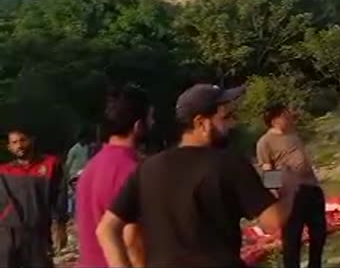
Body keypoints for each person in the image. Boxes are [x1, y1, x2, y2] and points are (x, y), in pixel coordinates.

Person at [95, 84, 284, 268]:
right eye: (225, 118)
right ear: (201, 123)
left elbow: (106, 229)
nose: (232, 124)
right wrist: (287, 182)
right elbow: (273, 221)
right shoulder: (229, 164)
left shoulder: (148, 168)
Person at [75, 86, 151, 268]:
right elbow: (132, 239)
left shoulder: (90, 168)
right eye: (151, 117)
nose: (153, 123)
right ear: (138, 126)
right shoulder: (133, 171)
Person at [257, 104, 325, 268]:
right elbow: (267, 168)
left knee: (319, 233)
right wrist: (275, 196)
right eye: (285, 114)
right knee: (292, 238)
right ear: (275, 120)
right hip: (291, 194)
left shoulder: (293, 134)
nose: (289, 116)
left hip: (311, 187)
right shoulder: (265, 142)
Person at [0, 129, 67, 268]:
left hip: (38, 233)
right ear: (9, 147)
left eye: (22, 140)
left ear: (32, 140)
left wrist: (60, 226)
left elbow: (60, 196)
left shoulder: (51, 164)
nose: (19, 145)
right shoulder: (3, 170)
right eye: (14, 142)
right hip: (7, 234)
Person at [64, 129, 100, 221]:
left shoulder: (89, 148)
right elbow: (68, 163)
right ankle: (72, 214)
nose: (85, 141)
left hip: (85, 173)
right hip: (75, 174)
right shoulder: (74, 149)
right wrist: (67, 176)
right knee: (74, 195)